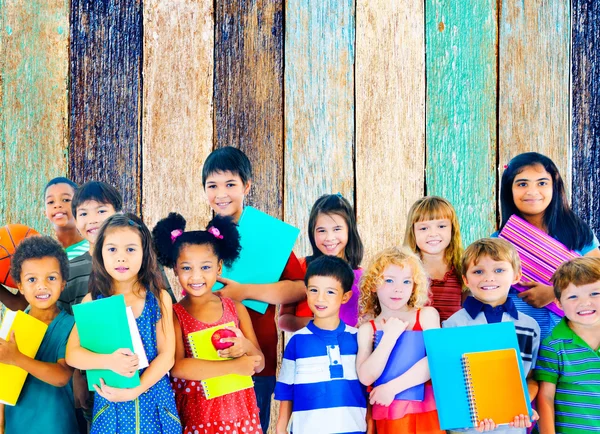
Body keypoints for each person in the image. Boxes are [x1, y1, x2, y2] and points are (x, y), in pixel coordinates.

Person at [202, 146, 305, 431]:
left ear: (246, 186)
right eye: (213, 186)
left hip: (257, 359)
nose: (221, 193)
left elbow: (299, 289)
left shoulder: (269, 236)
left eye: (230, 184)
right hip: (209, 358)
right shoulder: (201, 240)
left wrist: (245, 292)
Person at [65, 214, 181, 433]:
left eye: (130, 249)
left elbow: (167, 356)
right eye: (112, 249)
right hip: (111, 405)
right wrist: (109, 361)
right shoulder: (93, 301)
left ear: (145, 253)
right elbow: (72, 354)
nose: (121, 258)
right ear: (99, 253)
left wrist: (135, 391)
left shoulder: (158, 297)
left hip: (154, 401)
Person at [153, 212, 264, 434]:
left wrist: (245, 347)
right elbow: (177, 367)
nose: (196, 277)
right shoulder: (175, 314)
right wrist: (233, 366)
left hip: (240, 415)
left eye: (205, 267)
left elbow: (258, 363)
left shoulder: (236, 309)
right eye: (186, 268)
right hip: (199, 416)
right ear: (175, 269)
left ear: (219, 267)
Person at [497, 152, 600, 339]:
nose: (532, 191)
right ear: (508, 190)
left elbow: (597, 274)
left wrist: (553, 292)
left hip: (576, 338)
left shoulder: (576, 231)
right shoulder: (500, 242)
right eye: (522, 184)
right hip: (523, 338)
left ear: (555, 186)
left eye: (542, 183)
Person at [444, 238, 540, 433]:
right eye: (478, 271)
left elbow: (530, 378)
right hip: (468, 428)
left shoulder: (530, 327)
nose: (489, 278)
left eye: (499, 270)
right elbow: (449, 383)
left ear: (516, 276)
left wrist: (524, 404)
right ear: (465, 279)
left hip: (512, 428)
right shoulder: (453, 325)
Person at [275, 256, 367, 434]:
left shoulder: (358, 338)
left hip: (353, 429)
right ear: (306, 292)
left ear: (345, 296)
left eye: (330, 292)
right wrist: (281, 428)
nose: (320, 298)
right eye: (314, 290)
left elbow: (368, 389)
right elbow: (286, 389)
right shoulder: (297, 341)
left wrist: (370, 427)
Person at [356, 246, 443, 434]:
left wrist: (392, 388)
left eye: (406, 281)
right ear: (373, 284)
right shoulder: (367, 328)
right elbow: (366, 376)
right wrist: (389, 338)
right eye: (389, 280)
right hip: (390, 415)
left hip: (427, 411)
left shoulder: (427, 315)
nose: (398, 289)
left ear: (414, 286)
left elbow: (436, 359)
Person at [0, 236, 78, 434]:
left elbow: (62, 376)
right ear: (20, 286)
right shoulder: (14, 324)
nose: (41, 286)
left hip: (57, 427)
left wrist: (16, 358)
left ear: (63, 283)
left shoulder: (71, 326)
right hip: (16, 426)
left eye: (51, 278)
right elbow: (3, 381)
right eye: (32, 279)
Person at [279, 193, 364, 331]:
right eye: (322, 230)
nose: (329, 238)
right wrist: (320, 324)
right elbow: (283, 320)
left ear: (350, 230)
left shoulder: (362, 277)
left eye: (337, 229)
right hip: (308, 349)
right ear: (312, 233)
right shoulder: (299, 268)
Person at [535, 257, 600, 434]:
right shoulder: (553, 345)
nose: (585, 302)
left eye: (594, 293)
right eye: (573, 296)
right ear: (558, 303)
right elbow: (546, 396)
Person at [404, 196, 465, 321]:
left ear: (452, 229)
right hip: (417, 337)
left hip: (454, 337)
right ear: (413, 232)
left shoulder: (462, 267)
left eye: (441, 226)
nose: (433, 233)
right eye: (424, 228)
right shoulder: (405, 270)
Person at [44, 177, 89, 260]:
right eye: (51, 202)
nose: (57, 205)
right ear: (45, 212)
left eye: (66, 200)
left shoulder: (92, 249)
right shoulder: (43, 253)